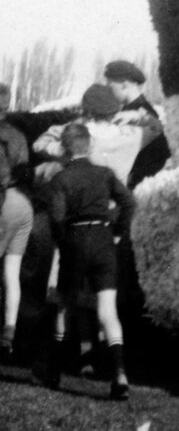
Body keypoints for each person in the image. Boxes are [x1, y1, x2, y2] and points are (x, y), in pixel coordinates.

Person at [41, 122, 135, 400]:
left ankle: (54, 370)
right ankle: (119, 374)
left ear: (64, 149)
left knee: (63, 307)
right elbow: (129, 202)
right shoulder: (105, 173)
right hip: (104, 239)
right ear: (90, 145)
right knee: (108, 311)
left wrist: (62, 241)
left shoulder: (60, 179)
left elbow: (57, 217)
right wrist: (117, 232)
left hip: (75, 238)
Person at [0, 90, 34, 363]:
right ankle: (9, 333)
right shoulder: (18, 135)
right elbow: (24, 171)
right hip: (20, 203)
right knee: (11, 273)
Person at [104, 59, 171, 187]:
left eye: (110, 85)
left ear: (123, 84)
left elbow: (157, 158)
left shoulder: (140, 113)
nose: (108, 90)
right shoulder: (131, 110)